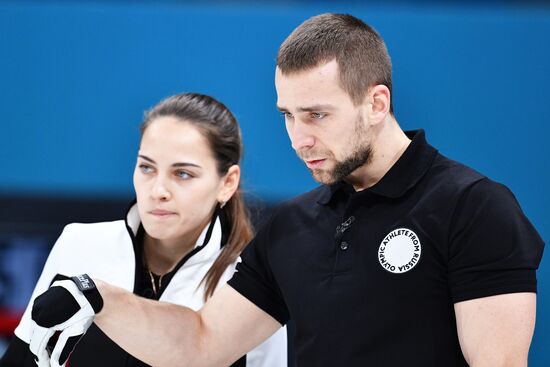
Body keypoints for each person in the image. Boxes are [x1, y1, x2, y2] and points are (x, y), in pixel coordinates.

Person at [21, 13, 545, 367]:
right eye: (288, 116)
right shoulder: (293, 227)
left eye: (317, 114)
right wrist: (100, 297)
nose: (299, 138)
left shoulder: (474, 207)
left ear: (377, 103)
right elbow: (203, 346)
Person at [0, 93, 287, 367]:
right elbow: (21, 360)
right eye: (147, 168)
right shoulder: (80, 244)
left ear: (227, 183)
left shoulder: (249, 288)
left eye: (183, 173)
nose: (158, 190)